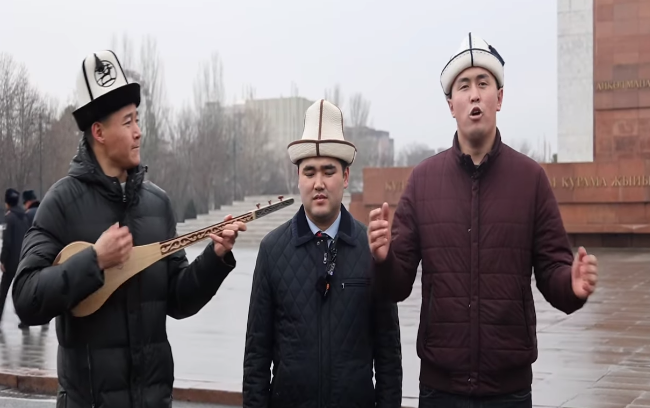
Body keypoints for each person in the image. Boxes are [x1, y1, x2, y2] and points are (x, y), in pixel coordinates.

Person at [367, 33, 599, 408]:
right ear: (451, 104)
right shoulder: (423, 181)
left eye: (483, 83)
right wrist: (382, 259)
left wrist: (571, 286)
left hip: (509, 390)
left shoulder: (530, 179)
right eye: (464, 86)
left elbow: (553, 268)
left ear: (499, 98)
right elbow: (397, 284)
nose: (474, 95)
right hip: (440, 388)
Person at [12, 50, 247, 408]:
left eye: (138, 119)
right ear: (99, 132)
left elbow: (178, 300)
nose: (139, 132)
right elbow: (26, 299)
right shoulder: (60, 203)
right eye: (127, 122)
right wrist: (94, 261)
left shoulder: (157, 204)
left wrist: (215, 258)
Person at [243, 99, 403, 408]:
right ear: (298, 178)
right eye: (309, 172)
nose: (318, 183)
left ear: (345, 177)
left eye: (329, 171)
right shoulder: (272, 251)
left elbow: (388, 357)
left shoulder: (370, 250)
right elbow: (256, 358)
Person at [0, 188, 29, 329]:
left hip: (11, 262)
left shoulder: (9, 217)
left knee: (3, 292)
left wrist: (2, 260)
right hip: (23, 259)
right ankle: (25, 320)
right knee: (21, 292)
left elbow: (7, 242)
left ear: (7, 202)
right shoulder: (24, 217)